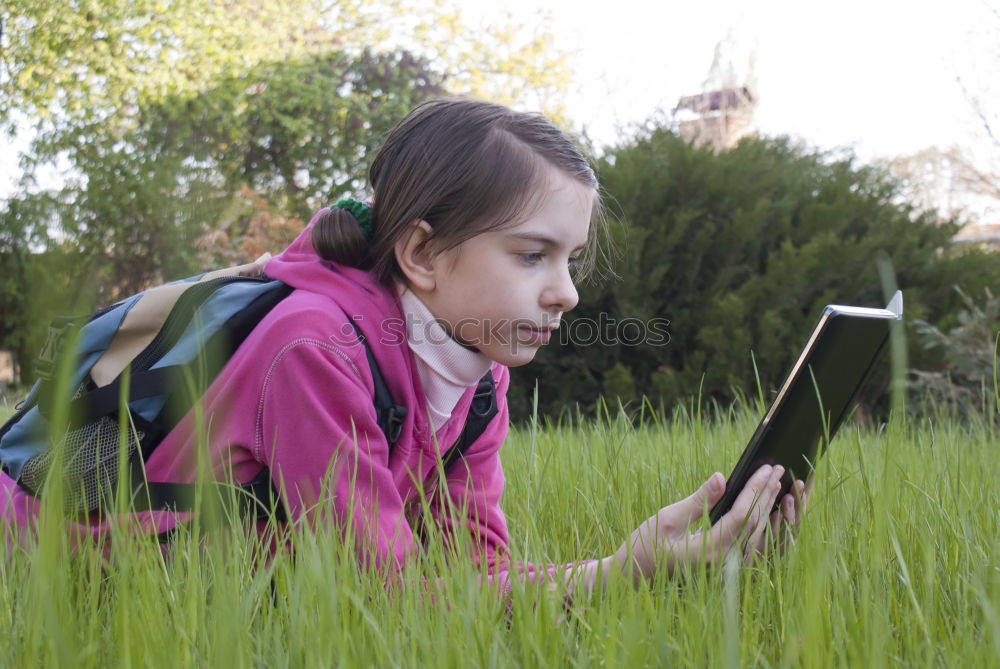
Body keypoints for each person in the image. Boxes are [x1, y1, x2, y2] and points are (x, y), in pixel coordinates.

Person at [1, 97, 808, 596]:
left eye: (571, 258)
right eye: (533, 255)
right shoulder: (311, 349)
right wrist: (621, 570)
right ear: (421, 254)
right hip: (53, 569)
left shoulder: (478, 378)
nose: (566, 291)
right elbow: (386, 601)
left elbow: (467, 581)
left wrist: (650, 564)